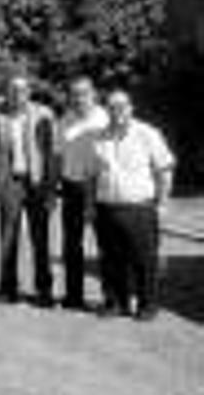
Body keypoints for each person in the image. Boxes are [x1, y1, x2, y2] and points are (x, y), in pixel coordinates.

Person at [85, 90, 174, 321]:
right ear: (107, 110)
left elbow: (164, 170)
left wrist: (162, 204)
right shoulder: (98, 137)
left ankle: (147, 305)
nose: (117, 112)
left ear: (131, 108)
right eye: (112, 107)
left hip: (139, 208)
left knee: (144, 260)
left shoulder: (147, 133)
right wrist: (90, 205)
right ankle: (115, 303)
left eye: (122, 106)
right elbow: (92, 176)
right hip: (106, 207)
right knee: (111, 260)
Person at [0, 75, 58, 306]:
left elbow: (51, 153)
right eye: (12, 90)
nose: (17, 94)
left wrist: (50, 187)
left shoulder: (44, 114)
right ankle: (8, 288)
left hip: (36, 182)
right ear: (7, 93)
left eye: (22, 90)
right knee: (8, 237)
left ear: (29, 92)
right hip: (10, 182)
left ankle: (44, 290)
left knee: (40, 237)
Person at [56, 76, 108, 310]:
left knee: (105, 244)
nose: (79, 98)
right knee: (72, 245)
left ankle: (112, 298)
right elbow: (58, 155)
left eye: (83, 93)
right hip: (71, 187)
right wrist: (53, 186)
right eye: (74, 94)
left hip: (100, 188)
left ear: (93, 94)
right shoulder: (65, 119)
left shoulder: (104, 118)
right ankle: (73, 297)